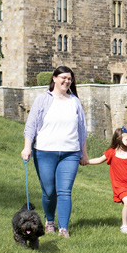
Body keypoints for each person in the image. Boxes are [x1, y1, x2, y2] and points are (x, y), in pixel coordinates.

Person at [21, 66, 89, 238]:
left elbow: (82, 130)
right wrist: (27, 147)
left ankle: (63, 229)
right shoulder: (43, 99)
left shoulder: (75, 101)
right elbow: (31, 125)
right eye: (63, 78)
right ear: (54, 78)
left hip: (70, 152)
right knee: (49, 191)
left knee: (64, 191)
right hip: (45, 151)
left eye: (69, 79)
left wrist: (84, 153)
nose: (67, 81)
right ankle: (50, 221)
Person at [88, 127, 127, 234]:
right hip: (119, 184)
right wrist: (86, 161)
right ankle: (124, 226)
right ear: (118, 139)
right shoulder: (111, 153)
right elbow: (99, 160)